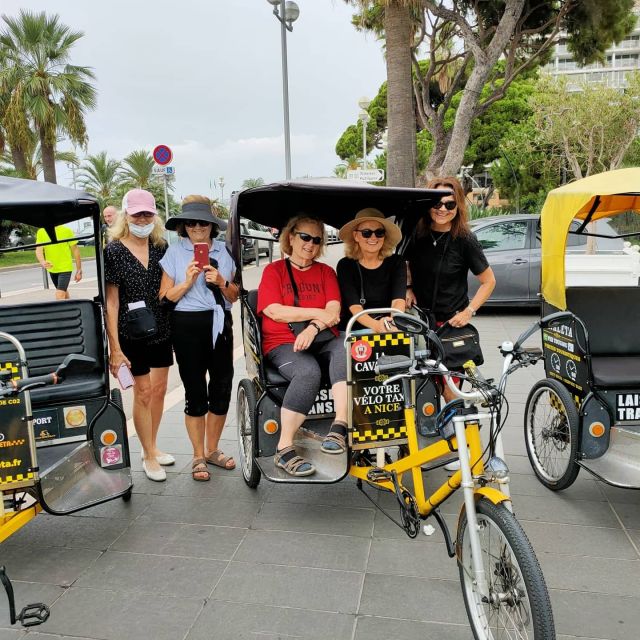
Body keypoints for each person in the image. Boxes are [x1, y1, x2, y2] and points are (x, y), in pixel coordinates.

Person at [405, 177, 495, 468]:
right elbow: (404, 265)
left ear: (458, 205)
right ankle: (422, 442)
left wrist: (468, 311)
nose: (442, 209)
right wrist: (407, 288)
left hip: (450, 326)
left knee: (451, 387)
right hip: (420, 323)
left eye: (449, 203)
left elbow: (488, 281)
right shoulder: (415, 234)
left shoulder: (464, 240)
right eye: (436, 203)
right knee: (421, 385)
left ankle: (464, 444)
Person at [257, 215, 348, 476]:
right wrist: (317, 313)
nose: (310, 243)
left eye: (316, 239)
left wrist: (313, 325)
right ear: (291, 237)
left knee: (346, 349)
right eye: (305, 237)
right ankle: (284, 448)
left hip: (322, 337)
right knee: (308, 372)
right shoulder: (273, 271)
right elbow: (275, 311)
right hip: (282, 341)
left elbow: (334, 311)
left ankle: (339, 426)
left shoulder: (325, 272)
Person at [159, 196, 239, 482]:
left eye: (202, 223)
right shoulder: (174, 252)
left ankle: (212, 449)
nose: (196, 228)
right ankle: (196, 454)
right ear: (183, 227)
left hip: (218, 322)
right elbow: (164, 296)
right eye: (190, 223)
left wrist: (221, 281)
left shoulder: (224, 251)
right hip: (186, 324)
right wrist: (188, 282)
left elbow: (234, 295)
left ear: (211, 225)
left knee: (221, 386)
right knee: (195, 391)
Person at [105, 189, 174, 482]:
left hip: (160, 328)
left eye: (148, 214)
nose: (143, 219)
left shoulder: (161, 247)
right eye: (137, 214)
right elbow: (111, 302)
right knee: (143, 392)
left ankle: (153, 445)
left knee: (158, 391)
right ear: (126, 216)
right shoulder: (114, 252)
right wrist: (115, 349)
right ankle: (147, 455)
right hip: (130, 333)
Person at [336, 208, 406, 331]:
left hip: (389, 324)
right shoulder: (345, 265)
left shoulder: (396, 262)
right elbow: (355, 307)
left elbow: (398, 301)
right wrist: (377, 326)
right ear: (356, 236)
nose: (373, 237)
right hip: (356, 328)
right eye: (366, 233)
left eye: (379, 232)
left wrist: (393, 322)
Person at [35, 224, 82, 300]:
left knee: (59, 295)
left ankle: (63, 312)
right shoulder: (41, 231)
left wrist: (79, 270)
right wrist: (42, 261)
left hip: (65, 268)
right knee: (63, 292)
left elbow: (75, 250)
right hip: (52, 268)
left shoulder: (66, 231)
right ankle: (70, 309)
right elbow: (38, 249)